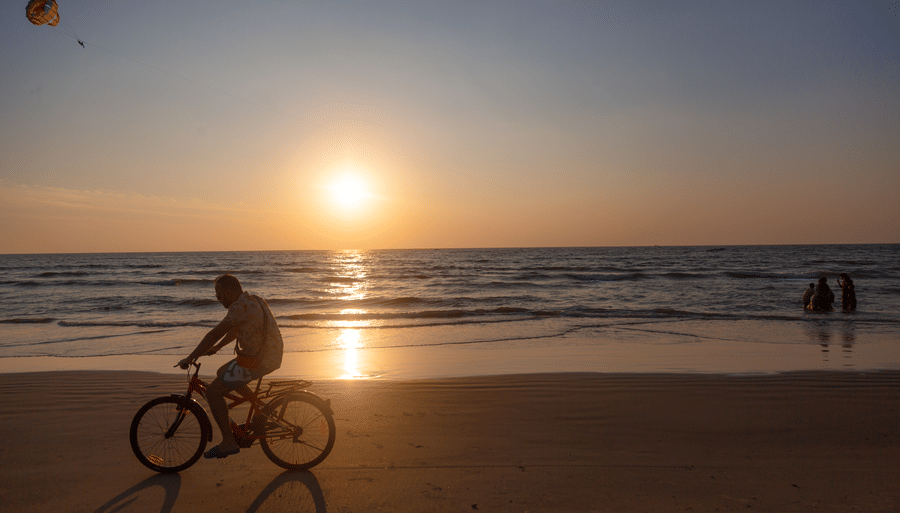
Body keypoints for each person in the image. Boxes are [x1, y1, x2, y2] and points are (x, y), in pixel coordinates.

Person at [177, 274, 283, 459]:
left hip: (260, 360)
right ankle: (263, 409)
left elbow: (214, 333)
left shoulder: (238, 307)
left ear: (228, 292)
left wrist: (190, 357)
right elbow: (236, 329)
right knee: (221, 372)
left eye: (219, 295)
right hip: (265, 355)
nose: (218, 299)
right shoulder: (253, 300)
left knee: (213, 393)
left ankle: (228, 442)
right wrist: (217, 348)